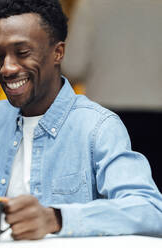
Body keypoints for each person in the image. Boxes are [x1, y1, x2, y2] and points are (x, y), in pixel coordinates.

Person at [0, 0, 162, 240]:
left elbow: (151, 211)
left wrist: (55, 218)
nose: (7, 68)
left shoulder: (97, 126)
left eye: (22, 53)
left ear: (58, 53)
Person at [62, 0, 162, 191]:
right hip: (157, 116)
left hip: (105, 116)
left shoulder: (92, 5)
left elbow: (73, 66)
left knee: (108, 199)